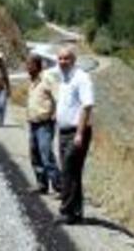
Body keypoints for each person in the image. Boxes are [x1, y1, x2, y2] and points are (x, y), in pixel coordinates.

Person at [54, 47, 94, 225]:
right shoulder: (64, 78)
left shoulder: (81, 78)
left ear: (74, 60)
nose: (62, 62)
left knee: (68, 171)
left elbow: (87, 107)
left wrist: (79, 134)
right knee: (72, 172)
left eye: (66, 58)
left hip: (77, 133)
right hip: (64, 132)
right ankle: (76, 212)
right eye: (60, 58)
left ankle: (67, 211)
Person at [26, 54, 61, 195]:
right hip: (33, 124)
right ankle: (42, 184)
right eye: (27, 64)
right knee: (35, 156)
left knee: (46, 155)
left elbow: (58, 96)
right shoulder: (32, 81)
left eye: (30, 64)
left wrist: (56, 114)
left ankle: (60, 187)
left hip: (45, 124)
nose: (27, 67)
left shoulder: (47, 79)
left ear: (37, 65)